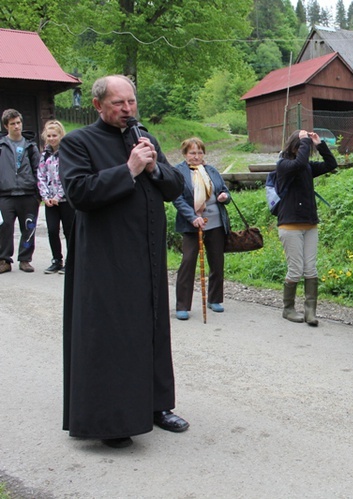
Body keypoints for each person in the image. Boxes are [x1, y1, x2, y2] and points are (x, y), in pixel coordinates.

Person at [59, 75, 188, 449]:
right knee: (114, 334)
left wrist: (153, 168)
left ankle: (157, 406)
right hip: (106, 258)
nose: (128, 110)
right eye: (119, 104)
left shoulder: (143, 137)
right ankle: (113, 419)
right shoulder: (77, 142)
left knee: (151, 329)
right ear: (98, 105)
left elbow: (174, 188)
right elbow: (79, 192)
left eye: (131, 102)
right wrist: (129, 169)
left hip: (146, 253)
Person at [275, 129, 337, 326]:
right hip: (290, 225)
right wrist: (303, 140)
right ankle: (288, 309)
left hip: (310, 224)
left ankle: (310, 312)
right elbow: (299, 163)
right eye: (302, 145)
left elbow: (331, 164)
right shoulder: (283, 165)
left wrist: (319, 144)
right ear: (294, 146)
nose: (306, 149)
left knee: (311, 269)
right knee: (295, 270)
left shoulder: (306, 167)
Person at [173, 138, 231, 320]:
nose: (196, 156)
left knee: (216, 261)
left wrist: (224, 196)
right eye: (192, 153)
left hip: (215, 222)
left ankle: (215, 299)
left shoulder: (211, 170)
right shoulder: (178, 172)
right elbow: (177, 198)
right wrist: (193, 218)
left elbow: (225, 191)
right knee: (188, 261)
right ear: (185, 154)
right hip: (192, 224)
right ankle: (182, 305)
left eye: (199, 153)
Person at [0, 108, 41, 274]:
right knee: (4, 228)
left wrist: (38, 194)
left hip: (28, 194)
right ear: (5, 126)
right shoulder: (1, 146)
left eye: (18, 123)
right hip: (5, 194)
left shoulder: (30, 146)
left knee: (28, 228)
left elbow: (39, 169)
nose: (16, 126)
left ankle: (25, 259)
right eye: (12, 124)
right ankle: (4, 260)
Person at [37, 120, 73, 274]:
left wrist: (59, 196)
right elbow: (41, 176)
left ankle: (71, 262)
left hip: (65, 200)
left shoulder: (67, 154)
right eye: (49, 136)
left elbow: (68, 176)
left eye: (54, 135)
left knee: (69, 231)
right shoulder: (44, 155)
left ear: (60, 136)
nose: (52, 139)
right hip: (50, 201)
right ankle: (56, 259)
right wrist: (45, 196)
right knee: (52, 230)